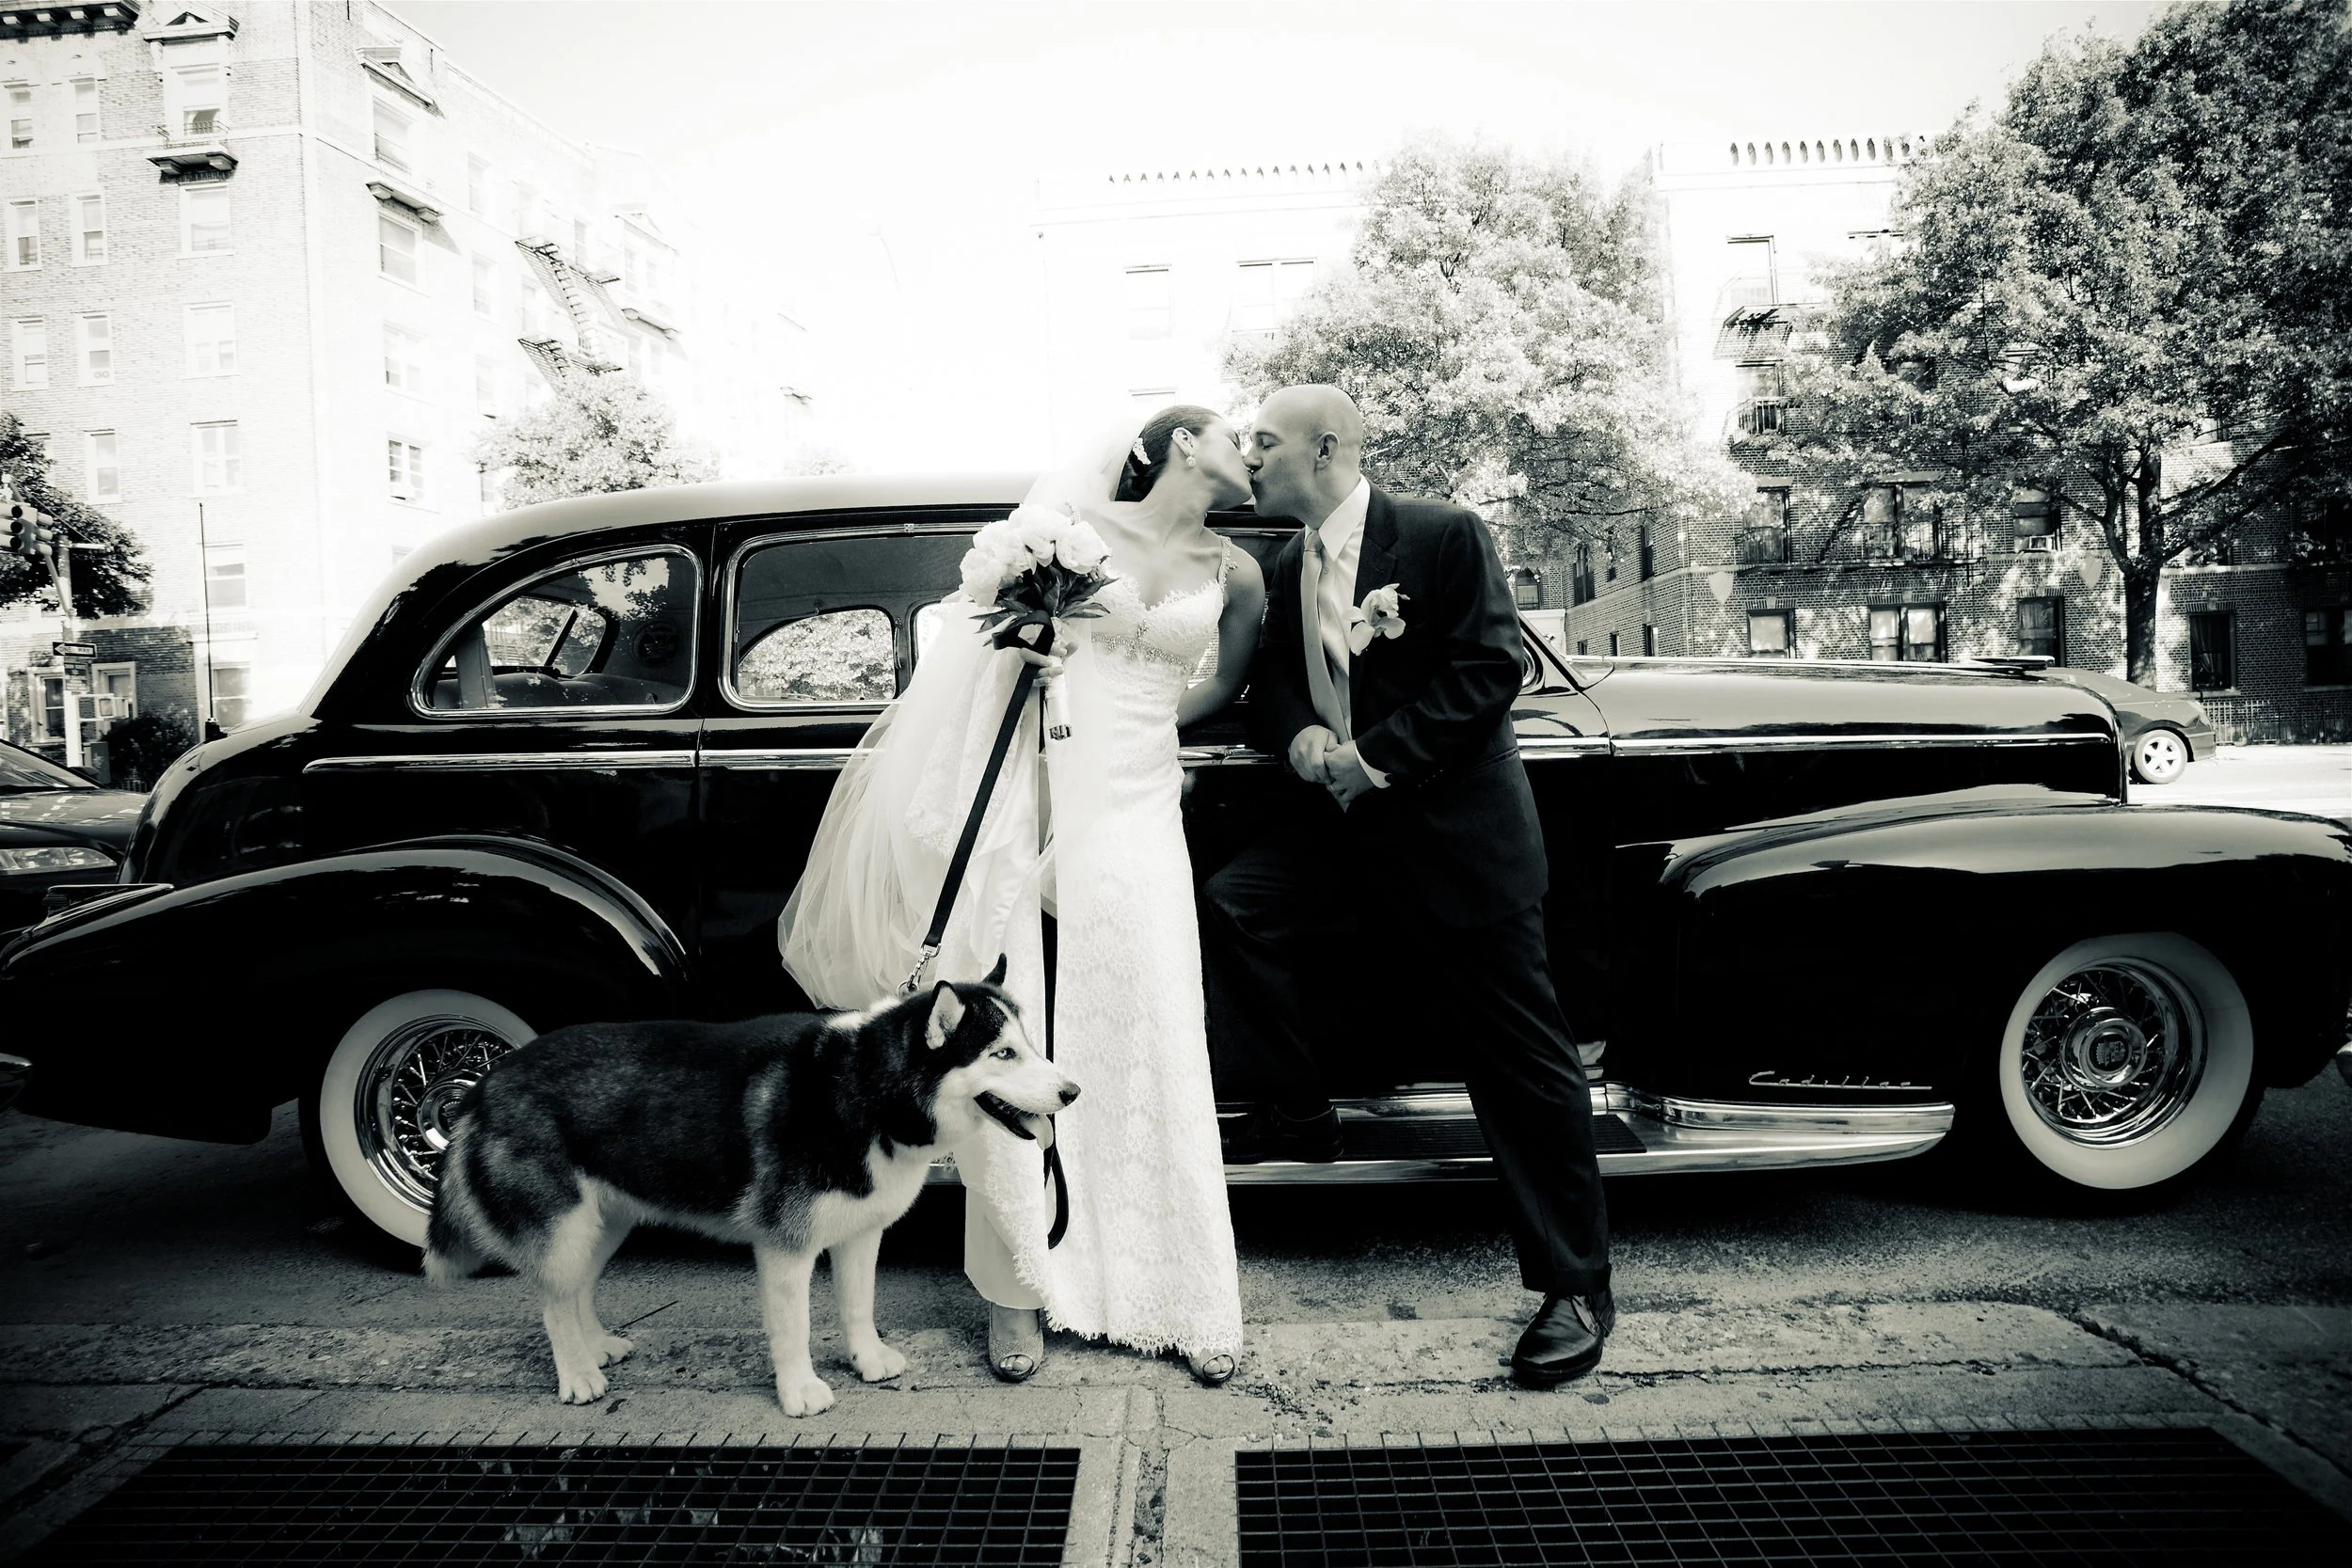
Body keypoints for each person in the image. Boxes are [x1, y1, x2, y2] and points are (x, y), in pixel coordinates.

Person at [779, 405, 1265, 1387]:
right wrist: (1047, 670)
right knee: (1020, 1036)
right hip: (1036, 794)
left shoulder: (1240, 571)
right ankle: (1014, 1292)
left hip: (1137, 808)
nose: (1249, 450)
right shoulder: (1075, 532)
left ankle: (1180, 1288)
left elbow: (1217, 690)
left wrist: (1149, 740)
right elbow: (989, 662)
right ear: (1181, 443)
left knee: (1152, 1030)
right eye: (1233, 432)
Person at [1202, 384, 1616, 1387]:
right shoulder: (1290, 558)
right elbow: (1278, 686)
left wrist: (1375, 755)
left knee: (1521, 1060)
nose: (1249, 458)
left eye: (1265, 441)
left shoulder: (1440, 533)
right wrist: (1298, 728)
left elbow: (1487, 668)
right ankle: (1301, 1110)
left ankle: (1576, 1285)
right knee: (1234, 902)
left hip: (1455, 836)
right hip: (1345, 837)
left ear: (1329, 446)